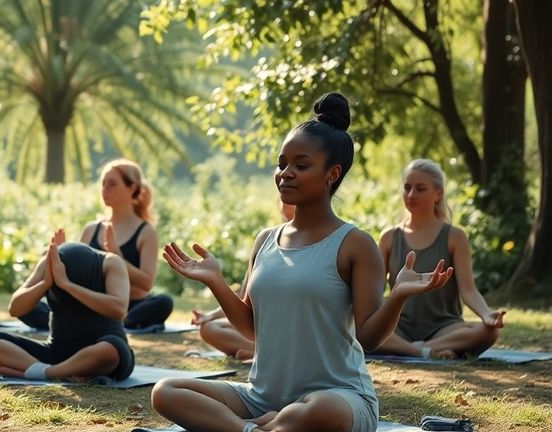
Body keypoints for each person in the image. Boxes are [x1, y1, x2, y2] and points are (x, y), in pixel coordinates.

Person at [151, 93, 454, 432]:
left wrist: (397, 296)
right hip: (262, 398)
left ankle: (259, 426)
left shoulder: (355, 244)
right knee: (167, 391)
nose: (286, 173)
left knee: (319, 410)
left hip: (338, 397)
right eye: (282, 164)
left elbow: (368, 339)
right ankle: (255, 429)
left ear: (331, 174)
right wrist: (216, 282)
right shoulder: (265, 239)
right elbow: (252, 329)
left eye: (301, 165)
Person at [372, 159, 505, 359]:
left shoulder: (454, 236)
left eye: (420, 189)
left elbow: (468, 290)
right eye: (407, 188)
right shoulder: (389, 237)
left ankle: (421, 348)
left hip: (444, 328)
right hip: (397, 327)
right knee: (357, 327)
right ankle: (426, 352)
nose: (411, 195)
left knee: (489, 332)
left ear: (438, 193)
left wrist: (486, 314)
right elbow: (374, 290)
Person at [18, 159, 169, 331]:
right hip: (89, 303)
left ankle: (111, 321)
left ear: (132, 188)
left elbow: (146, 283)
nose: (105, 189)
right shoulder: (91, 229)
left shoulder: (146, 231)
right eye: (103, 183)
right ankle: (92, 322)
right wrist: (58, 255)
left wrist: (117, 257)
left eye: (112, 184)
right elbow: (77, 274)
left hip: (128, 306)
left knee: (163, 302)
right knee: (26, 304)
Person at [0, 230, 135, 382]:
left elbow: (119, 309)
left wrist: (67, 285)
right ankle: (56, 372)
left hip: (101, 351)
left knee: (108, 351)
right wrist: (45, 283)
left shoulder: (111, 262)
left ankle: (41, 373)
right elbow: (15, 308)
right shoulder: (48, 263)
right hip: (57, 353)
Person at [191, 200, 295, 360]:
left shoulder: (331, 241)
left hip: (296, 331)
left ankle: (266, 353)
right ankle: (263, 352)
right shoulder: (266, 239)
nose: (285, 202)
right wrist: (210, 315)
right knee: (208, 328)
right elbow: (244, 299)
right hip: (264, 328)